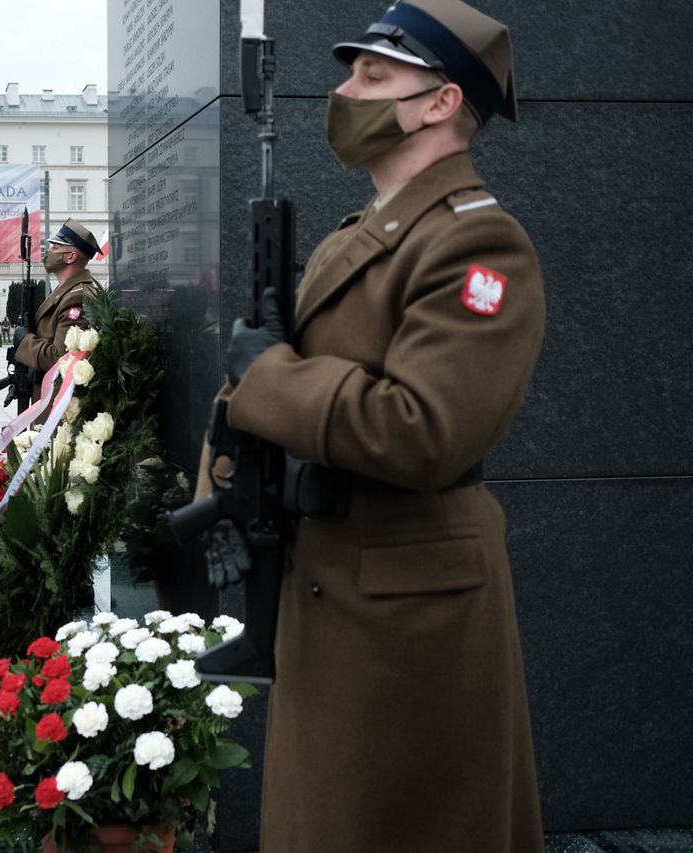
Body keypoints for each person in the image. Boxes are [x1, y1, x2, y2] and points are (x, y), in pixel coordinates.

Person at [200, 2, 546, 850]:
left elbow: (424, 429)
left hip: (407, 618)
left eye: (373, 75)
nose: (343, 90)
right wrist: (229, 482)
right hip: (334, 586)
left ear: (438, 102)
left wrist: (267, 375)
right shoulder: (363, 233)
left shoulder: (479, 246)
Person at [14, 218, 102, 402]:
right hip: (46, 394)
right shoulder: (66, 291)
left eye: (55, 248)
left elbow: (60, 356)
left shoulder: (78, 296)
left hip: (57, 402)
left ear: (70, 256)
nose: (49, 252)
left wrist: (25, 340)